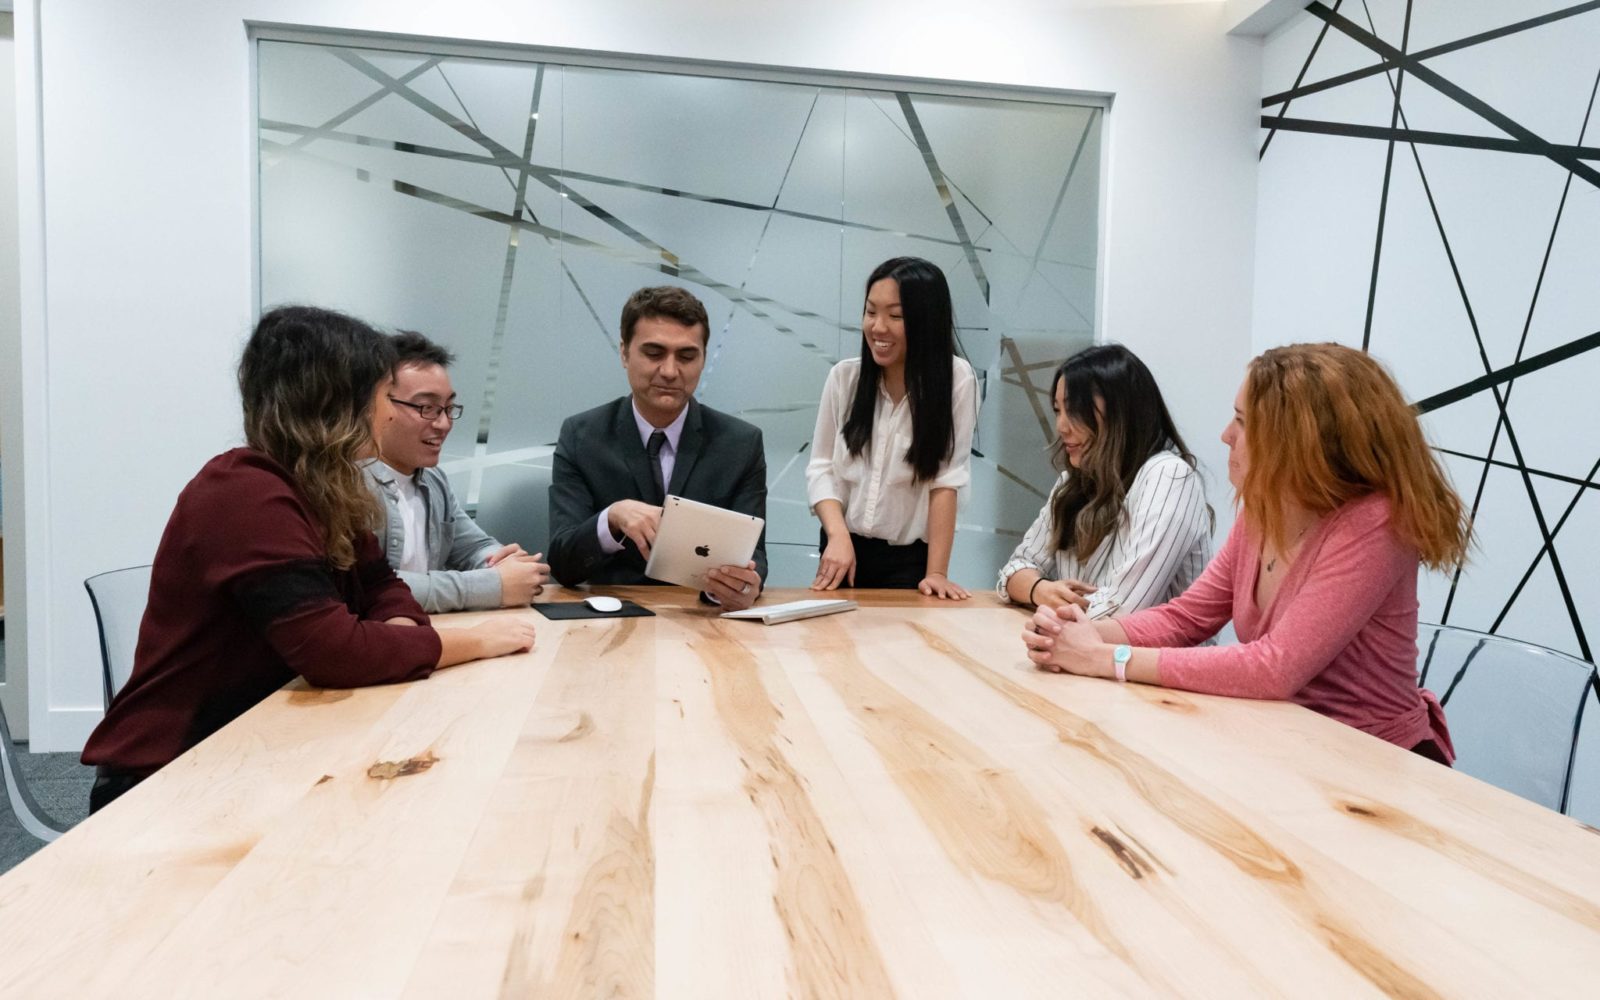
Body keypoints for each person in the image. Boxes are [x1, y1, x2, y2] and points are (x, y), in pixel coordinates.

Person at [80, 307, 536, 813]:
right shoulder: (244, 492)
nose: (388, 414)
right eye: (383, 397)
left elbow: (383, 588)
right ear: (334, 405)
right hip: (170, 776)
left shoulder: (329, 487)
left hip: (268, 742)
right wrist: (472, 641)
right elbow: (334, 651)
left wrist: (400, 636)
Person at [1022, 343, 1471, 762]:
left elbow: (1274, 668)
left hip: (1375, 759)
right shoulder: (1266, 508)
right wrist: (1085, 633)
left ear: (1298, 439)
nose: (1225, 436)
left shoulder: (1376, 521)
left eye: (1242, 422)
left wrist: (1104, 658)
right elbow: (1187, 618)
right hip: (1289, 743)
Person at [547, 286, 766, 610]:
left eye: (687, 356)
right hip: (610, 621)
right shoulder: (582, 436)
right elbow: (563, 564)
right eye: (654, 353)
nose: (669, 371)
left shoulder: (740, 443)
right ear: (624, 353)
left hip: (702, 621)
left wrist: (740, 586)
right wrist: (612, 518)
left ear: (704, 358)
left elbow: (755, 556)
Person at [806, 257, 978, 598]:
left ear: (926, 320)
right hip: (843, 548)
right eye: (871, 312)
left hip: (908, 561)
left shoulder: (956, 380)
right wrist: (837, 536)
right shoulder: (845, 377)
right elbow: (821, 467)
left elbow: (946, 480)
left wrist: (937, 573)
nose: (878, 327)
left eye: (895, 316)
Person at [997, 344, 1210, 614]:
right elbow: (1015, 569)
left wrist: (1052, 609)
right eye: (1057, 410)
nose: (1061, 426)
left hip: (1143, 654)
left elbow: (1123, 609)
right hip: (1078, 646)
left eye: (1074, 410)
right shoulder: (1072, 481)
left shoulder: (1168, 476)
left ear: (1121, 412)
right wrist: (1041, 590)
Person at [364, 331, 551, 613]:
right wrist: (494, 586)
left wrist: (506, 565)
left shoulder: (432, 477)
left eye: (449, 408)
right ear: (378, 404)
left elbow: (474, 546)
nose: (443, 424)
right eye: (427, 408)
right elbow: (372, 588)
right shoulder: (347, 483)